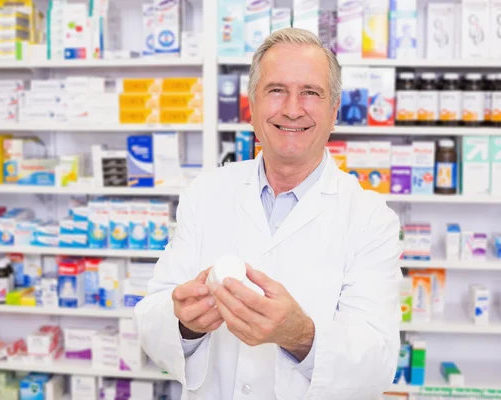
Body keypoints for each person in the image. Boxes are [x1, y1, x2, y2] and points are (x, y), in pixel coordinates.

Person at [134, 28, 402, 400]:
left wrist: (301, 335)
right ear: (252, 106)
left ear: (334, 110)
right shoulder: (205, 194)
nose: (293, 109)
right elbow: (150, 319)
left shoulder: (371, 219)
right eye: (276, 90)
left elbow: (378, 362)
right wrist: (184, 325)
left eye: (311, 92)